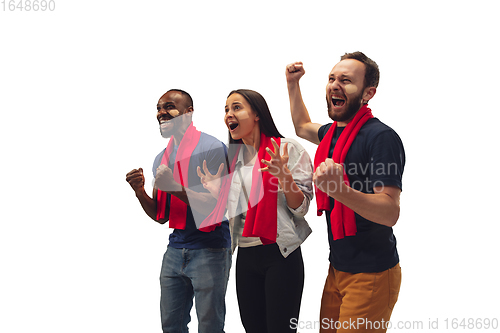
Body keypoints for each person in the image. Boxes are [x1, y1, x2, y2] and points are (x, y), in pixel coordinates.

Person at [285, 52, 405, 332]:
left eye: (346, 81)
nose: (335, 85)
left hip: (372, 273)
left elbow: (390, 211)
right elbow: (303, 126)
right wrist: (292, 84)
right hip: (338, 268)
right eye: (332, 79)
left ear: (368, 93)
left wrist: (339, 190)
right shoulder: (332, 133)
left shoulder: (380, 138)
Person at [197, 89, 314, 333]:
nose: (229, 114)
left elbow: (301, 209)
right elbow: (235, 214)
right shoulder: (233, 160)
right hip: (246, 256)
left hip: (281, 254)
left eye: (236, 107)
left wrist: (285, 177)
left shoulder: (287, 150)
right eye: (226, 110)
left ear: (257, 114)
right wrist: (218, 192)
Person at [125, 89, 231, 333]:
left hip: (210, 247)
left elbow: (216, 207)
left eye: (169, 107)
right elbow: (161, 216)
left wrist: (174, 188)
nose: (161, 113)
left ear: (188, 112)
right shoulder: (160, 158)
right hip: (175, 248)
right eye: (159, 108)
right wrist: (140, 192)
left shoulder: (212, 148)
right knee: (171, 326)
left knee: (210, 327)